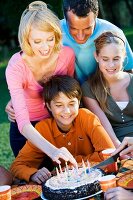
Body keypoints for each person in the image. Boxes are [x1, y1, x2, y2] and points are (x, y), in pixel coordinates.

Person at [5, 1, 76, 166]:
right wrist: (53, 151)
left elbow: (70, 92)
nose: (45, 47)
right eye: (37, 41)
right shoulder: (16, 66)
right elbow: (22, 123)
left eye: (50, 39)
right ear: (27, 39)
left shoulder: (67, 55)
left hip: (58, 124)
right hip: (27, 133)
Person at [10, 75, 115, 184]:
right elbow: (16, 166)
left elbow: (109, 153)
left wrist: (70, 164)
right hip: (66, 184)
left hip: (95, 178)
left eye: (71, 104)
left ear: (78, 102)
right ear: (49, 106)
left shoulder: (86, 118)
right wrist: (33, 173)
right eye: (59, 105)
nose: (67, 111)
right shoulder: (43, 129)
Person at [61, 0, 133, 84]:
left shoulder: (113, 33)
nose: (81, 37)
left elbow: (129, 70)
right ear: (65, 18)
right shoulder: (54, 34)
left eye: (87, 28)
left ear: (96, 16)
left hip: (104, 87)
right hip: (71, 91)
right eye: (73, 29)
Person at [81, 31, 133, 147]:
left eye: (116, 59)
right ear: (96, 56)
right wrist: (120, 151)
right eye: (105, 59)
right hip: (114, 146)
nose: (111, 65)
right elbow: (104, 127)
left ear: (124, 56)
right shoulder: (89, 88)